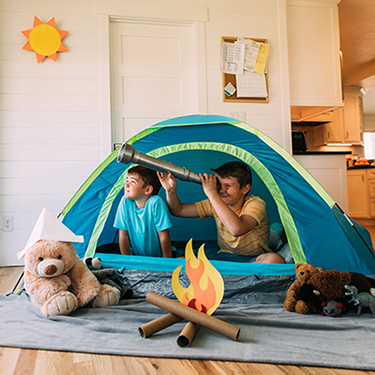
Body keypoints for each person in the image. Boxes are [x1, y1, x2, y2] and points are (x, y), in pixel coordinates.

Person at [158, 161, 285, 263]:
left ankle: (236, 274)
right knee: (181, 261)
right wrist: (170, 191)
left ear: (245, 188)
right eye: (219, 185)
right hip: (225, 258)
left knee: (274, 260)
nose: (221, 190)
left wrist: (212, 194)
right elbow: (178, 210)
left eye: (228, 186)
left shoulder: (255, 203)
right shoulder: (215, 202)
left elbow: (237, 229)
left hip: (253, 259)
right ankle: (235, 275)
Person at [114, 165, 172, 258]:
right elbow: (123, 234)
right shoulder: (125, 202)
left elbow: (163, 235)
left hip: (158, 256)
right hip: (136, 256)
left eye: (132, 181)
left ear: (148, 189)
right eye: (127, 181)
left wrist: (167, 261)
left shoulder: (155, 203)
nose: (126, 185)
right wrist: (126, 260)